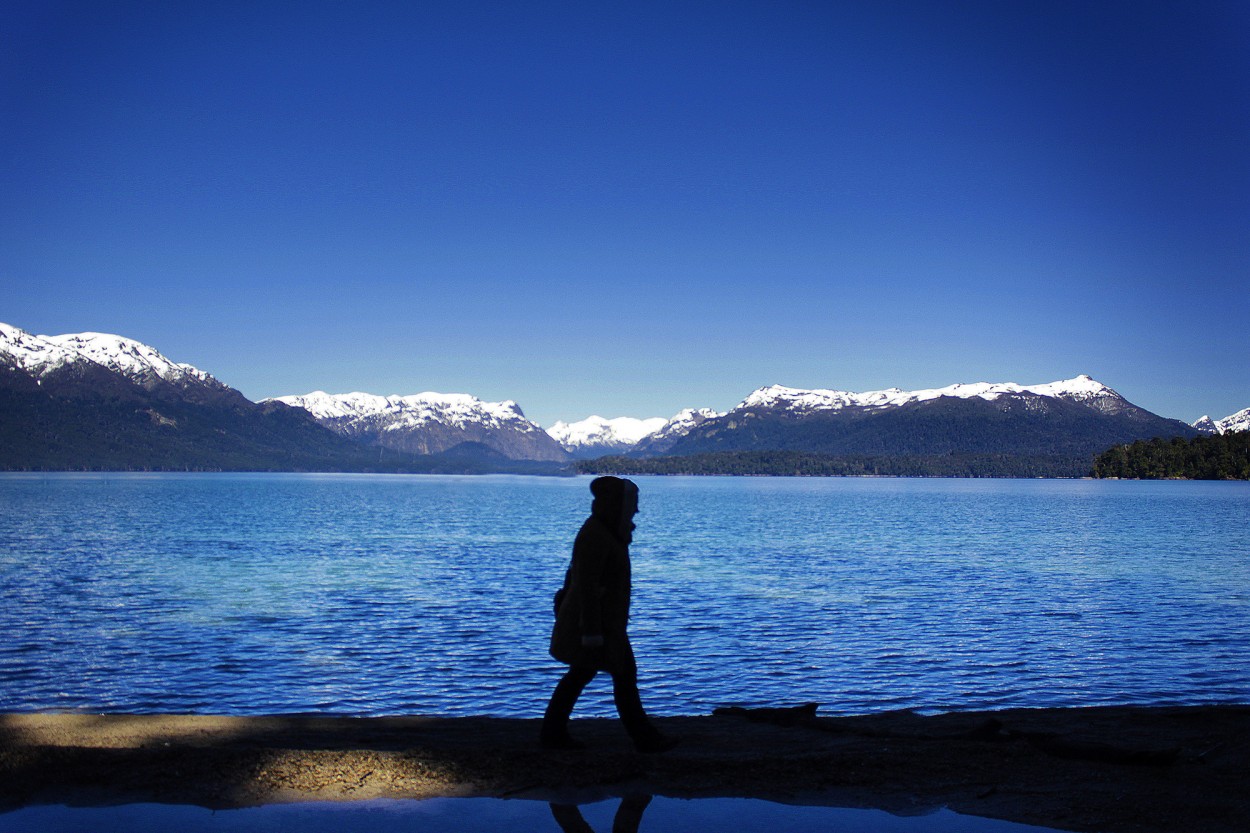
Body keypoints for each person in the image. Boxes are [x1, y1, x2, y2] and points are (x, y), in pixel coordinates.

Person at [541, 476, 676, 753]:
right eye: (632, 504)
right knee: (613, 674)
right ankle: (643, 738)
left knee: (590, 674)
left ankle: (553, 733)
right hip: (596, 625)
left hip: (604, 623)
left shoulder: (605, 530)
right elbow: (587, 586)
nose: (636, 510)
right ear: (618, 504)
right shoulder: (597, 534)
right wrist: (591, 632)